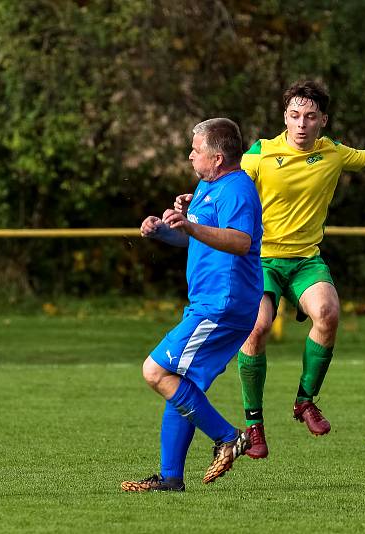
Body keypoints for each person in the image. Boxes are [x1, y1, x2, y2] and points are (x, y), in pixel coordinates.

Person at [175, 80, 365, 458]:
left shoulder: (332, 154)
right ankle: (254, 425)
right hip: (262, 259)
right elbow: (225, 180)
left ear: (323, 120)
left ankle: (305, 401)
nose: (301, 123)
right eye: (294, 115)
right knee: (258, 327)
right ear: (285, 117)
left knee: (329, 313)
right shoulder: (261, 154)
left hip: (304, 259)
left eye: (310, 116)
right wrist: (197, 200)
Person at [121, 118, 263, 492]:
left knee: (155, 372)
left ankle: (228, 437)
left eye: (196, 150)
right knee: (181, 385)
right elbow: (196, 238)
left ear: (217, 158)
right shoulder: (207, 185)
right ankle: (171, 479)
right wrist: (164, 231)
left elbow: (240, 241)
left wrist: (190, 225)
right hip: (211, 301)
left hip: (223, 303)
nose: (190, 155)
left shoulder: (237, 189)